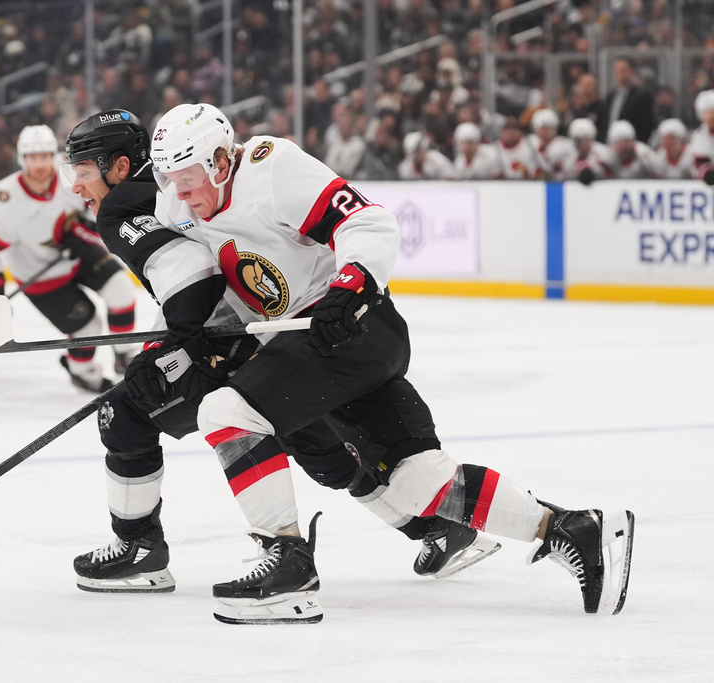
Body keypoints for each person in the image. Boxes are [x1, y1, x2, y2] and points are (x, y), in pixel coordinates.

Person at [147, 102, 635, 623]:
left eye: (190, 176)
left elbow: (367, 221)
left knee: (227, 413)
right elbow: (208, 289)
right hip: (312, 344)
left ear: (222, 161)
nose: (181, 190)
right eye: (169, 177)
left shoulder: (271, 167)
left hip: (352, 327)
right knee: (418, 482)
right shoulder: (180, 205)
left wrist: (350, 283)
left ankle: (289, 566)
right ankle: (574, 529)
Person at [60, 110, 497, 596]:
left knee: (123, 414)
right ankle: (433, 526)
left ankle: (141, 549)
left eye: (81, 173)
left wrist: (166, 348)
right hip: (271, 331)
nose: (76, 187)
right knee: (317, 442)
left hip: (226, 339)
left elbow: (188, 275)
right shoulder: (181, 180)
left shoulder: (124, 202)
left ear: (119, 167)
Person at [0, 124, 139, 392]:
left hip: (77, 253)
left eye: (45, 156)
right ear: (22, 159)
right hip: (41, 275)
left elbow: (96, 210)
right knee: (89, 327)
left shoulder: (73, 176)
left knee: (121, 290)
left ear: (55, 155)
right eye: (32, 157)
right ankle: (82, 371)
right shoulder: (6, 201)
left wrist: (83, 230)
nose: (40, 163)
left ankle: (125, 355)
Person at [598, 58, 654, 144]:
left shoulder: (641, 96)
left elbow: (646, 126)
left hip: (630, 147)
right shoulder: (610, 96)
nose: (620, 73)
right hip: (610, 145)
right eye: (617, 70)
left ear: (631, 71)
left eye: (623, 70)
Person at [528, 108, 576, 181]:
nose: (544, 131)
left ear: (555, 129)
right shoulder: (530, 143)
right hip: (535, 186)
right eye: (541, 128)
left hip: (562, 184)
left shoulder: (566, 145)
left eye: (547, 128)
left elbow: (569, 170)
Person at [567, 117, 614, 185]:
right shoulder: (568, 157)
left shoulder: (603, 155)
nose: (584, 143)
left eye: (587, 139)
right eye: (579, 140)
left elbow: (611, 175)